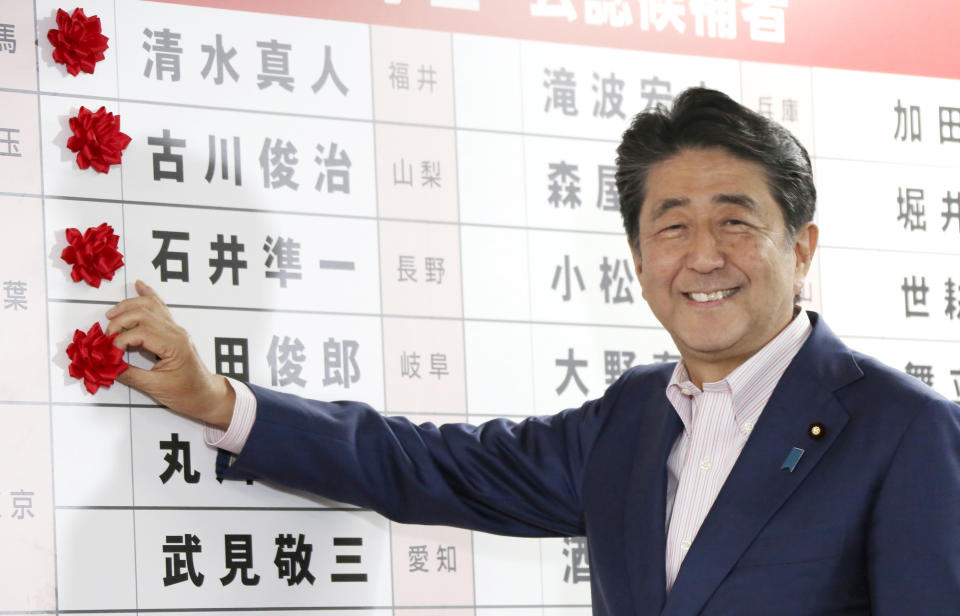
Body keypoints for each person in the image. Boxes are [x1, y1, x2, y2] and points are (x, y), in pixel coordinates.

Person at [105, 88, 960, 615]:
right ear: (637, 258)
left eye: (737, 222)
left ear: (801, 247)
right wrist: (219, 402)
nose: (703, 256)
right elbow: (432, 467)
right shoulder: (632, 418)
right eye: (672, 227)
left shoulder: (904, 431)